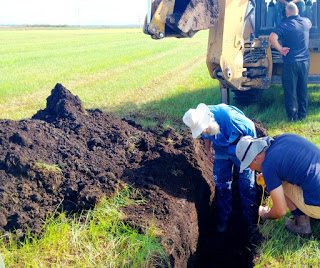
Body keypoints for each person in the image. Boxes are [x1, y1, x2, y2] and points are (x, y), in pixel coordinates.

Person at [182, 103, 258, 233]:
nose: (204, 132)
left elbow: (250, 127)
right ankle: (224, 220)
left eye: (203, 128)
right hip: (221, 150)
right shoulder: (201, 122)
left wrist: (252, 152)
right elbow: (206, 136)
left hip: (241, 147)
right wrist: (208, 150)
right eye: (201, 131)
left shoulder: (228, 117)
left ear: (208, 119)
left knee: (247, 185)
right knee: (221, 186)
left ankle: (250, 222)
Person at [236, 133, 320, 236]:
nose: (251, 169)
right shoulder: (281, 139)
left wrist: (265, 214)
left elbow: (280, 211)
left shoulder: (268, 166)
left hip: (317, 207)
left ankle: (302, 224)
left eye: (249, 165)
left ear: (255, 159)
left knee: (280, 183)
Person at [269, 2, 312, 121]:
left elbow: (272, 38)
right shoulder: (306, 22)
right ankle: (303, 115)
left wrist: (281, 49)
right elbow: (310, 24)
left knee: (290, 90)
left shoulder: (284, 25)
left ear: (286, 13)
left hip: (291, 62)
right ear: (298, 10)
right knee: (303, 88)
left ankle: (293, 117)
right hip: (304, 62)